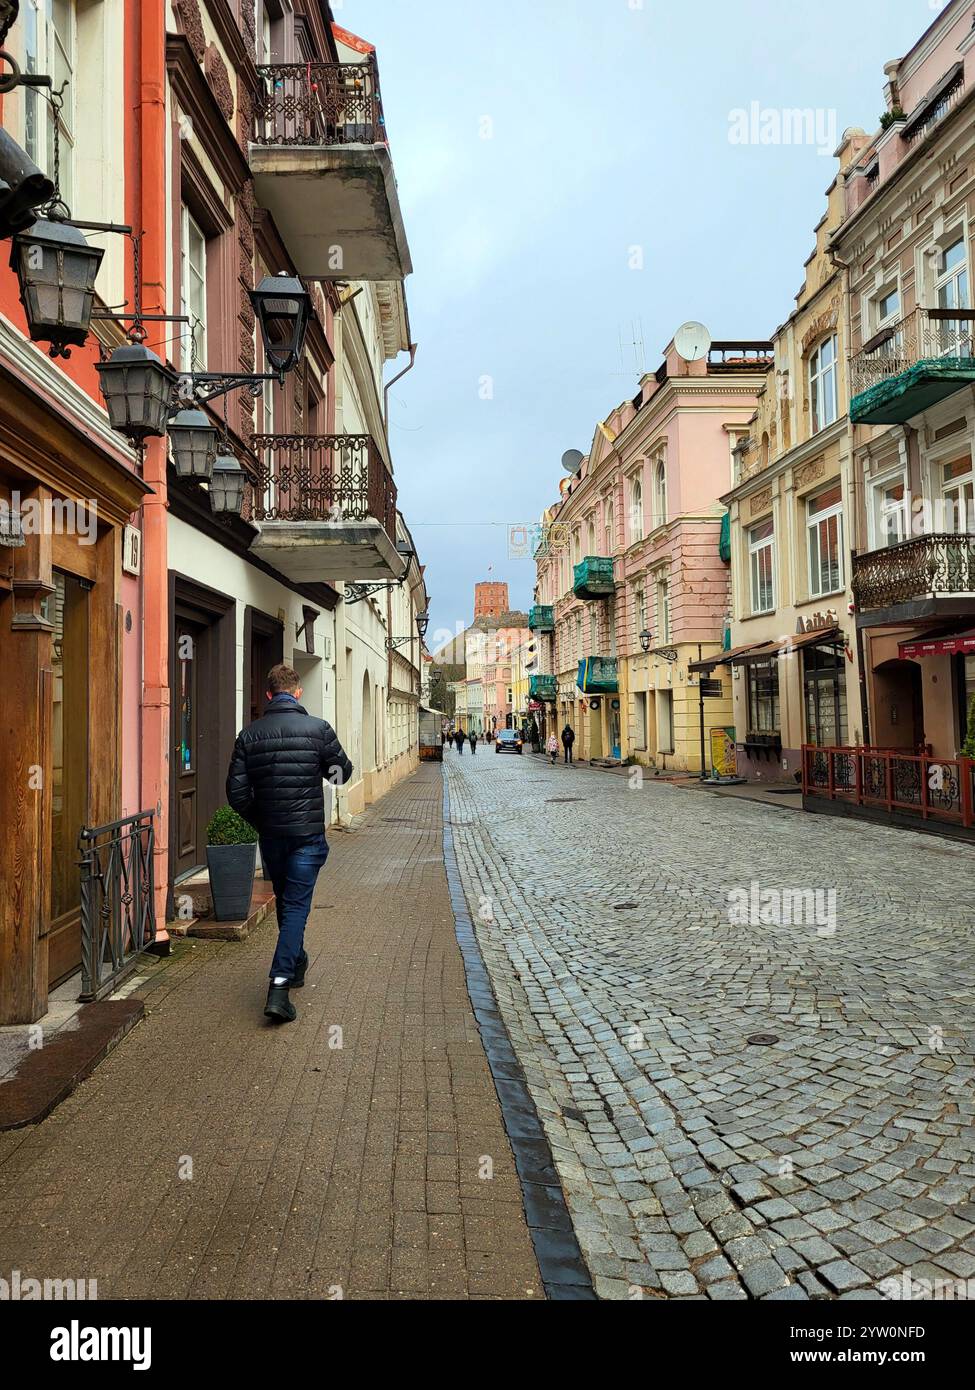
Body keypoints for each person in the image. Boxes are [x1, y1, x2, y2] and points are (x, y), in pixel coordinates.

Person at [227, 663, 353, 1025]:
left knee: (288, 903)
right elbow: (341, 774)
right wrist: (322, 765)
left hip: (273, 837)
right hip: (307, 837)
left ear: (269, 695)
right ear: (298, 692)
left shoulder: (249, 736)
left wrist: (262, 819)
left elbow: (235, 794)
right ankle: (279, 987)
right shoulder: (318, 730)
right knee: (295, 907)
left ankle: (295, 963)